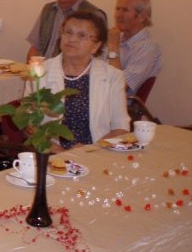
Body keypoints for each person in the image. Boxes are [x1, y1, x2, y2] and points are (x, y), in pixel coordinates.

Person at [27, 11, 130, 151]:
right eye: (68, 32)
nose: (72, 39)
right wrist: (60, 152)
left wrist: (90, 150)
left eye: (82, 35)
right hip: (51, 153)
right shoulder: (40, 72)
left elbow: (121, 127)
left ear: (96, 46)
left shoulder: (113, 76)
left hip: (97, 153)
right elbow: (29, 125)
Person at [26, 0, 106, 61]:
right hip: (43, 68)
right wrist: (31, 68)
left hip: (73, 69)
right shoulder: (48, 10)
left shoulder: (94, 15)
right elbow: (34, 48)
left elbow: (98, 57)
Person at [107, 0, 162, 96]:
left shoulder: (147, 48)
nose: (118, 15)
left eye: (125, 10)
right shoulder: (117, 37)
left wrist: (113, 49)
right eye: (117, 9)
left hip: (117, 104)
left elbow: (119, 86)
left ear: (142, 17)